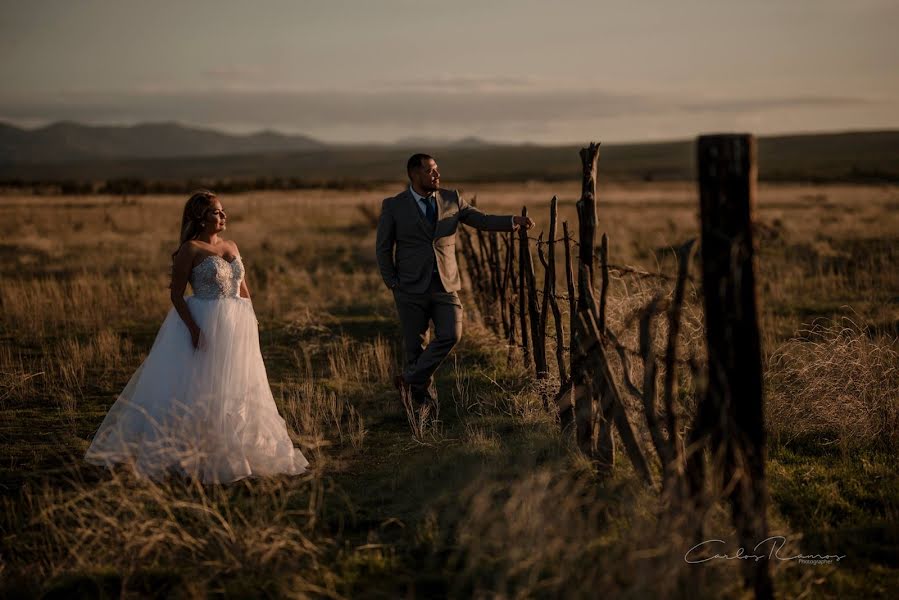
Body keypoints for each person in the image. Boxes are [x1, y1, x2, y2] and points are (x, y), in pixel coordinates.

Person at [85, 190, 308, 483]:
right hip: (205, 319)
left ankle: (236, 445)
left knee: (238, 384)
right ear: (200, 218)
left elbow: (242, 287)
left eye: (222, 210)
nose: (223, 216)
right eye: (216, 212)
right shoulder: (190, 249)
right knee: (202, 384)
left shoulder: (232, 245)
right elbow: (176, 295)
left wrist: (251, 319)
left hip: (236, 324)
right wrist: (194, 329)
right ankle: (194, 451)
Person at [376, 154, 534, 416]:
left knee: (451, 334)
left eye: (436, 169)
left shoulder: (451, 198)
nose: (436, 174)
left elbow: (481, 220)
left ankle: (408, 379)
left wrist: (511, 222)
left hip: (445, 285)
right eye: (430, 171)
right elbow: (383, 248)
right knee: (415, 347)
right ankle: (422, 404)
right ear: (414, 175)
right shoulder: (394, 205)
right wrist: (392, 282)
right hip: (409, 288)